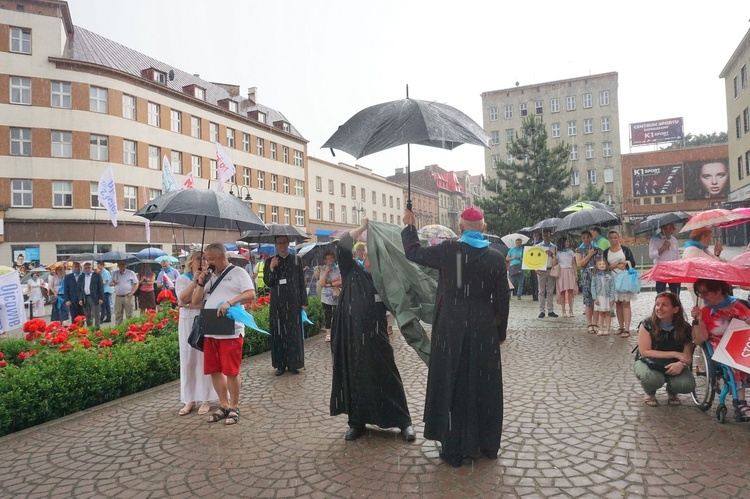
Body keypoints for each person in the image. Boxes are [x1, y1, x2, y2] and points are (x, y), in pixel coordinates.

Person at [402, 206, 509, 467]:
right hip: (483, 328)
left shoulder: (449, 252)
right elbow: (502, 300)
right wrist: (499, 332)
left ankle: (454, 447)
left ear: (459, 228)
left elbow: (413, 252)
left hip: (451, 327)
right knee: (483, 383)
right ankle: (486, 443)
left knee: (454, 381)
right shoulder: (496, 258)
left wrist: (410, 226)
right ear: (484, 227)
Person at [331, 218, 416, 442]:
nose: (369, 257)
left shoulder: (385, 280)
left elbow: (400, 302)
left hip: (377, 335)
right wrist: (362, 228)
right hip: (351, 336)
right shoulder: (352, 271)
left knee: (387, 376)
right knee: (356, 377)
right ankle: (356, 422)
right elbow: (342, 246)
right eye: (368, 254)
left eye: (373, 255)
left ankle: (403, 421)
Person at [192, 243, 255, 425]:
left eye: (210, 259)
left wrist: (230, 302)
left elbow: (250, 294)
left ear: (221, 257)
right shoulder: (210, 277)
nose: (207, 262)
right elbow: (196, 301)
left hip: (230, 330)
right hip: (211, 329)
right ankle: (224, 404)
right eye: (206, 259)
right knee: (214, 370)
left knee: (231, 371)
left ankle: (234, 406)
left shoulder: (238, 273)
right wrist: (201, 282)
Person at [691, 278, 750, 418]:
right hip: (720, 347)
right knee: (735, 363)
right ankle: (740, 403)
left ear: (718, 290)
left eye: (705, 292)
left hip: (743, 342)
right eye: (699, 293)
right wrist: (698, 320)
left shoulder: (740, 305)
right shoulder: (704, 311)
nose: (702, 297)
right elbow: (700, 339)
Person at [635, 292, 695, 407]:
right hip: (648, 362)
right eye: (657, 304)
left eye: (664, 305)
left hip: (673, 364)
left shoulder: (685, 328)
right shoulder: (647, 324)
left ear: (675, 309)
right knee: (652, 379)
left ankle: (672, 391)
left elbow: (687, 357)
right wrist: (675, 354)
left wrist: (681, 364)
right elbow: (645, 352)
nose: (659, 308)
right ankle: (650, 392)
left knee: (686, 385)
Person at [175, 250, 216, 416]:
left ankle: (206, 398)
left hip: (202, 320)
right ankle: (190, 399)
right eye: (199, 259)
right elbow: (182, 297)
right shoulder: (182, 279)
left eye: (205, 259)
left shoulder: (211, 279)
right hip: (186, 321)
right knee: (188, 360)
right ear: (191, 262)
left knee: (203, 359)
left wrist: (187, 304)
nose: (202, 262)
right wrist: (194, 282)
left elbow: (202, 303)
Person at [265, 235, 307, 376]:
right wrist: (272, 268)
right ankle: (280, 364)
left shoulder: (296, 260)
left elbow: (301, 282)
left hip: (293, 301)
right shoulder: (270, 261)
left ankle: (294, 363)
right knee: (278, 333)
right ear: (276, 244)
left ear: (288, 243)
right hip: (278, 303)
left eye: (284, 243)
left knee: (293, 333)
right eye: (279, 243)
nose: (282, 245)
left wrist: (304, 302)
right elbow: (268, 282)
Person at [603, 230, 637, 337]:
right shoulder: (606, 252)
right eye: (611, 238)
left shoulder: (625, 250)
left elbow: (632, 262)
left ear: (618, 238)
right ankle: (621, 326)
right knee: (617, 303)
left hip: (624, 278)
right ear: (609, 239)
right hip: (613, 279)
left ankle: (627, 328)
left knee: (625, 303)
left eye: (615, 237)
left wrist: (624, 263)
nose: (613, 239)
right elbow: (604, 266)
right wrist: (611, 266)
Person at [682, 228, 723, 307]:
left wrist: (717, 253)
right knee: (703, 309)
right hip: (699, 287)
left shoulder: (703, 249)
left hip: (707, 286)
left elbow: (715, 263)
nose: (710, 240)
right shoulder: (692, 250)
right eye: (709, 237)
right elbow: (714, 265)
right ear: (703, 237)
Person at [576, 230, 603, 334]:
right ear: (581, 239)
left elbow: (601, 263)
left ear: (591, 238)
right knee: (588, 301)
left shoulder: (598, 250)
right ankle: (590, 323)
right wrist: (589, 254)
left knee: (596, 300)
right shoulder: (579, 250)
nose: (586, 239)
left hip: (596, 276)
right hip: (586, 277)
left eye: (588, 237)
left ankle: (596, 323)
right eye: (584, 238)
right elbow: (580, 264)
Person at [648, 222, 680, 295]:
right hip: (661, 270)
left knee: (676, 294)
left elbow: (677, 255)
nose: (674, 228)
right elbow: (652, 255)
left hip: (674, 270)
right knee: (661, 293)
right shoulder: (655, 239)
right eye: (672, 226)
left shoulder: (673, 240)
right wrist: (663, 248)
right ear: (665, 227)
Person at [317, 251, 341, 343]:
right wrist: (327, 271)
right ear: (325, 260)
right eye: (327, 259)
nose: (330, 260)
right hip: (326, 296)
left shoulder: (338, 268)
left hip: (337, 294)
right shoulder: (323, 269)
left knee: (337, 314)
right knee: (327, 314)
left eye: (331, 258)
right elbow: (321, 283)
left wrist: (330, 284)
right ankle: (328, 334)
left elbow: (341, 281)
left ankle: (336, 332)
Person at [536, 228, 558, 318]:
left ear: (550, 234)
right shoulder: (537, 246)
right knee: (541, 291)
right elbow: (534, 260)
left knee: (550, 291)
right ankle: (541, 310)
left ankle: (550, 310)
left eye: (547, 234)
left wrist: (552, 254)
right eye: (544, 234)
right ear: (542, 235)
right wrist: (535, 269)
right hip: (541, 270)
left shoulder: (554, 247)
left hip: (550, 269)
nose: (546, 235)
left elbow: (556, 261)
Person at [110, 260, 139, 325]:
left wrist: (132, 292)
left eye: (123, 264)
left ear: (125, 265)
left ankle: (130, 330)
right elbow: (110, 284)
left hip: (128, 296)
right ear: (117, 265)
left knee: (129, 315)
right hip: (118, 297)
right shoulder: (115, 273)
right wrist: (115, 282)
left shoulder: (131, 273)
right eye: (120, 264)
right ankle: (119, 329)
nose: (121, 266)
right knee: (118, 315)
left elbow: (136, 283)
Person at [591, 258, 615, 336]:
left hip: (607, 297)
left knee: (608, 313)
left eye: (603, 264)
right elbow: (593, 287)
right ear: (597, 266)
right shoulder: (595, 276)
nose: (602, 265)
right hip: (599, 297)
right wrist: (595, 298)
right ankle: (601, 329)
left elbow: (612, 287)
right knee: (600, 313)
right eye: (600, 264)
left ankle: (607, 329)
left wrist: (612, 298)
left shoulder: (609, 276)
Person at [555, 235, 578, 318]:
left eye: (568, 242)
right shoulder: (558, 253)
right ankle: (563, 310)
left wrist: (576, 273)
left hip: (570, 271)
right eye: (566, 242)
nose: (567, 243)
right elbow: (555, 263)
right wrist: (552, 255)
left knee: (571, 291)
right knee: (562, 291)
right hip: (561, 272)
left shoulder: (571, 252)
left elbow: (574, 263)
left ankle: (571, 309)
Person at [80, 261, 104, 329]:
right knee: (87, 315)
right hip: (85, 298)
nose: (87, 269)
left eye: (89, 268)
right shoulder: (81, 277)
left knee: (96, 314)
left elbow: (101, 287)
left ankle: (97, 330)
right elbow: (79, 289)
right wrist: (80, 299)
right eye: (86, 268)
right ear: (83, 269)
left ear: (91, 268)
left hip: (95, 297)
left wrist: (101, 298)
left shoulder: (97, 275)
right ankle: (90, 329)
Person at [526, 232, 541, 300]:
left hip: (539, 263)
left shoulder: (540, 243)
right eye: (535, 235)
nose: (536, 236)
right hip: (532, 264)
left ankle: (538, 294)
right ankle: (534, 295)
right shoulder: (530, 243)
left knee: (538, 281)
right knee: (533, 280)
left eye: (537, 235)